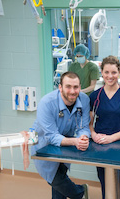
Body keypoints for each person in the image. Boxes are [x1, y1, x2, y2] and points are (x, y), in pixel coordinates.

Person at [31, 71, 91, 199]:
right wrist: (75, 141)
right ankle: (80, 192)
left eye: (76, 87)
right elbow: (51, 136)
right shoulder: (46, 103)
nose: (72, 91)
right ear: (60, 87)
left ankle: (79, 192)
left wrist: (83, 137)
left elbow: (83, 126)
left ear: (80, 87)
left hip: (67, 144)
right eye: (68, 86)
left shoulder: (84, 100)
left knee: (60, 176)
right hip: (44, 144)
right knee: (54, 179)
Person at [89, 55, 120, 199]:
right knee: (104, 182)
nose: (110, 76)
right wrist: (93, 134)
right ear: (102, 73)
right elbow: (89, 123)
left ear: (119, 72)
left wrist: (111, 138)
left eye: (114, 72)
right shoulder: (95, 96)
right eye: (106, 72)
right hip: (100, 145)